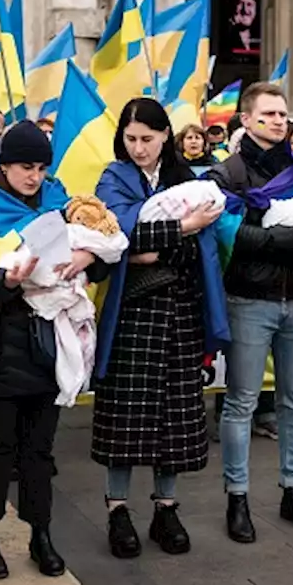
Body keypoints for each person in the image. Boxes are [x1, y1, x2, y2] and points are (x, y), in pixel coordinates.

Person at [0, 122, 108, 580]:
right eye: (25, 167)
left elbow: (94, 260)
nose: (34, 177)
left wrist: (89, 258)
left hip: (50, 347)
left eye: (41, 167)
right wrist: (6, 281)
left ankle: (42, 533)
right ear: (3, 164)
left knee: (39, 451)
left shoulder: (63, 205)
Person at [92, 99, 227, 558]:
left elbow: (176, 248)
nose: (138, 148)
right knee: (126, 417)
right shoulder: (112, 178)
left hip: (182, 311)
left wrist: (154, 244)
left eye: (147, 139)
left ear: (165, 136)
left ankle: (166, 507)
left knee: (176, 418)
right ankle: (117, 509)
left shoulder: (186, 179)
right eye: (130, 139)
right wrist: (184, 226)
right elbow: (116, 238)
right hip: (134, 313)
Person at [205, 82, 293, 543]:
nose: (280, 120)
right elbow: (230, 235)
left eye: (284, 113)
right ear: (245, 118)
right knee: (240, 403)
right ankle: (236, 498)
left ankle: (292, 491)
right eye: (270, 113)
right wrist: (291, 238)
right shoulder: (227, 174)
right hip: (248, 302)